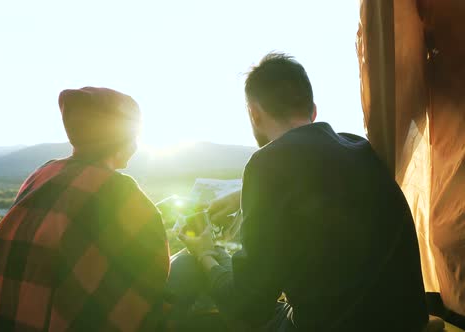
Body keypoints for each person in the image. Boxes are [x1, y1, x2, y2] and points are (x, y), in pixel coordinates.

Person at [179, 52, 429, 331]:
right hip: (408, 321)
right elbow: (323, 187)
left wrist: (206, 254)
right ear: (313, 111)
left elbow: (248, 306)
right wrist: (241, 195)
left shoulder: (266, 165)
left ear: (254, 113)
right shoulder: (359, 148)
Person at [0, 87, 170, 331]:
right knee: (186, 269)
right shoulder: (119, 190)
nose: (136, 146)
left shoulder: (43, 174)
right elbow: (154, 270)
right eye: (133, 137)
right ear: (119, 139)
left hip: (2, 320)